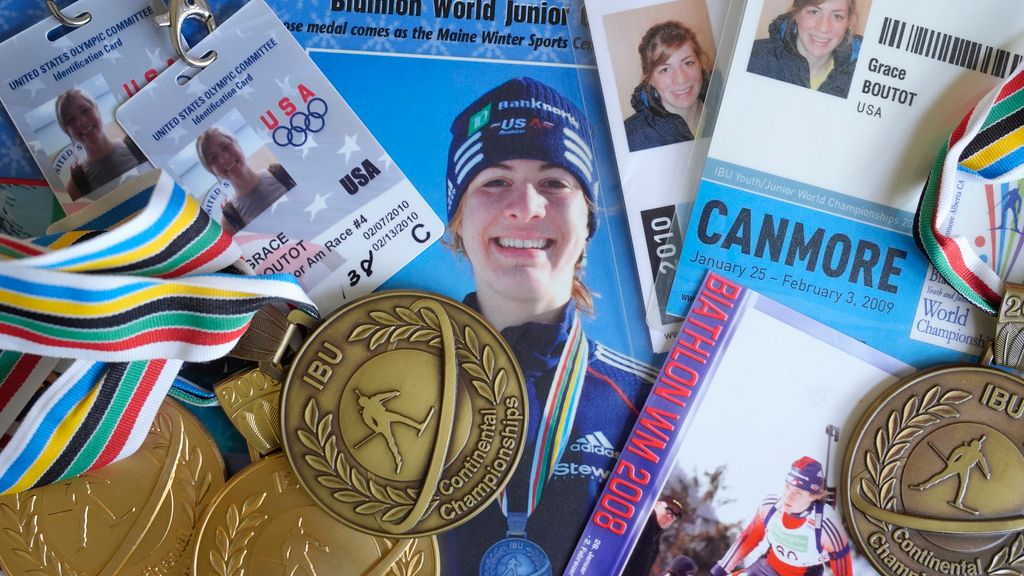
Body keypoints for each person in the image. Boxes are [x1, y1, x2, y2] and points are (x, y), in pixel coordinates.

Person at [438, 76, 658, 574]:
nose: (527, 206)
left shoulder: (649, 404)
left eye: (556, 182)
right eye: (495, 181)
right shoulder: (386, 373)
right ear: (458, 218)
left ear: (586, 222)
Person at [710, 457, 852, 576]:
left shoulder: (827, 524)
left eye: (798, 492)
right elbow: (749, 538)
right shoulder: (771, 506)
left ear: (813, 496)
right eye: (787, 487)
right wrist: (722, 568)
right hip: (766, 568)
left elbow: (842, 565)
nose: (788, 497)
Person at [747, 0, 862, 98]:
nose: (823, 28)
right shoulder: (752, 58)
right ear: (796, 14)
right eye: (814, 12)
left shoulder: (861, 77)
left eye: (837, 16)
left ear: (848, 22)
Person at [624, 21, 709, 152]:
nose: (681, 79)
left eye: (688, 63)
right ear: (650, 79)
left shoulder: (729, 107)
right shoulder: (631, 139)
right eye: (665, 70)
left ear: (700, 64)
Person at [196, 126, 295, 235]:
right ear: (212, 170)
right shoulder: (230, 221)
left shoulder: (283, 173)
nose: (224, 159)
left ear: (237, 145)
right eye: (213, 158)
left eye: (225, 147)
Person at [56, 89, 147, 200]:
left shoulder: (137, 145)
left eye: (84, 110)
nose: (81, 122)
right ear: (67, 131)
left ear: (96, 110)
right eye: (70, 119)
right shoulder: (77, 183)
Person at [624, 496, 685, 576]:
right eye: (669, 510)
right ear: (657, 505)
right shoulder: (639, 525)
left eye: (675, 515)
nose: (670, 516)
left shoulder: (655, 542)